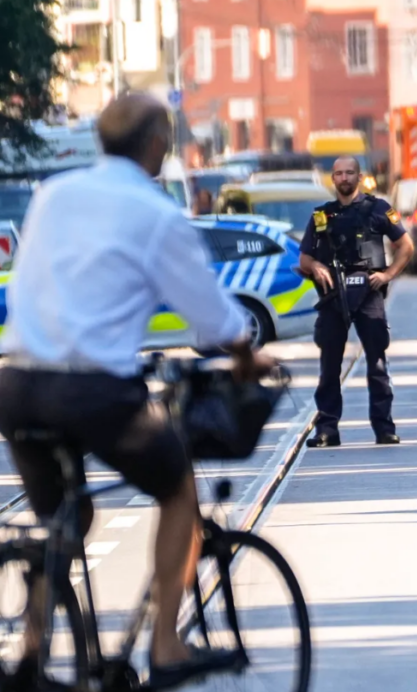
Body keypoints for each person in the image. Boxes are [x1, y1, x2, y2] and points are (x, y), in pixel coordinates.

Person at [0, 93, 276, 689]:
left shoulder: (54, 194)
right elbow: (214, 320)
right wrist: (246, 358)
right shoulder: (155, 213)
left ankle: (29, 655)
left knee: (63, 521)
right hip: (91, 391)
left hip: (16, 384)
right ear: (156, 144)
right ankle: (169, 647)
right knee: (178, 489)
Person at [299, 155, 415, 448]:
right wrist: (316, 267)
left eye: (350, 173)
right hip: (333, 295)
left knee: (376, 363)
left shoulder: (378, 209)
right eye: (339, 173)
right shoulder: (321, 216)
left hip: (368, 291)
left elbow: (406, 246)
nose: (344, 178)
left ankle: (384, 428)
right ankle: (326, 429)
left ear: (359, 176)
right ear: (333, 178)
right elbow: (305, 256)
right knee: (329, 366)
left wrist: (388, 275)